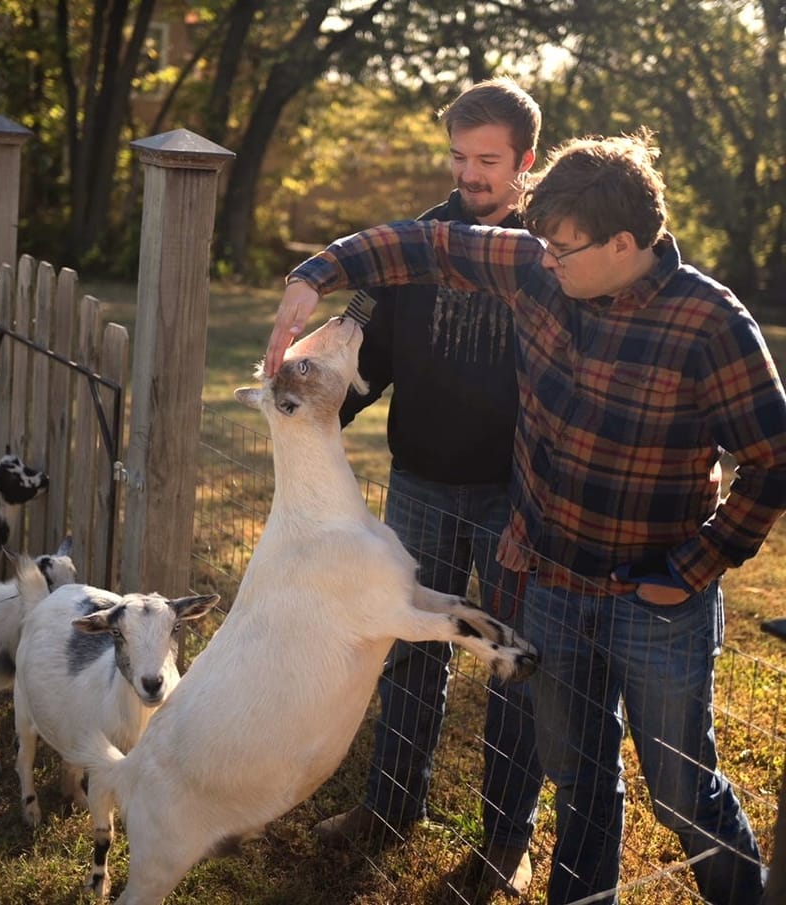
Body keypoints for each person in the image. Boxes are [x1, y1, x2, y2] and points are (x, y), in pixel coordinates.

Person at [266, 130, 786, 905]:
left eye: (563, 249)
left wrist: (693, 570)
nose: (543, 258)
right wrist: (317, 274)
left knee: (681, 790)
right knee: (579, 778)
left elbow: (772, 457)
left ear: (623, 243)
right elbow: (423, 242)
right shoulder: (537, 267)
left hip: (655, 603)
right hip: (549, 582)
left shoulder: (711, 323)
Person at [313, 78, 545, 899]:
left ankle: (505, 842)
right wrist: (318, 415)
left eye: (488, 160)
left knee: (513, 667)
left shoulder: (552, 249)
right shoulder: (416, 242)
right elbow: (370, 355)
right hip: (419, 482)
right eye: (459, 157)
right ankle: (389, 805)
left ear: (526, 162)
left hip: (515, 500)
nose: (471, 174)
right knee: (410, 648)